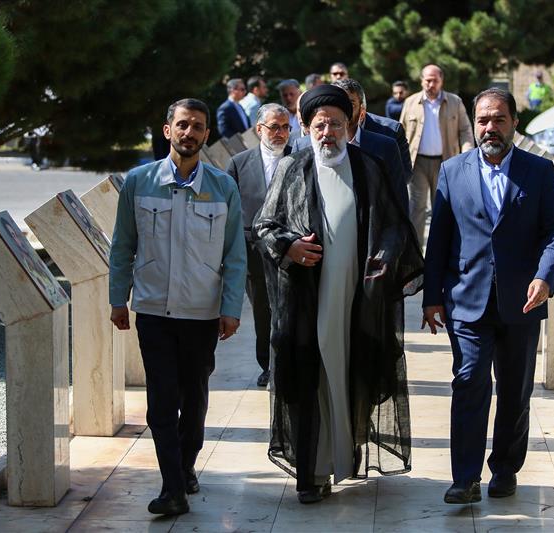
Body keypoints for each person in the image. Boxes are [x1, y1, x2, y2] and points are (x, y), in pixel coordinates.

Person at [254, 84, 424, 504]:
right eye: (319, 125)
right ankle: (313, 472)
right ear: (306, 128)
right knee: (310, 378)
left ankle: (344, 456)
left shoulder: (369, 168)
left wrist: (384, 256)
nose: (327, 133)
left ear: (350, 126)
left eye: (335, 124)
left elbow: (396, 226)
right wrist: (290, 247)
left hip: (357, 300)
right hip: (306, 300)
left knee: (352, 374)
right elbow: (265, 226)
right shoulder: (292, 168)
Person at [422, 88, 554, 504]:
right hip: (467, 299)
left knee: (515, 390)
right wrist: (432, 297)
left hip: (522, 301)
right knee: (469, 381)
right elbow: (439, 239)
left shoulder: (539, 171)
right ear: (474, 124)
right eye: (483, 120)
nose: (490, 128)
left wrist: (544, 277)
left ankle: (505, 468)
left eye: (499, 119)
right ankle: (465, 478)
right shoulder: (453, 171)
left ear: (514, 123)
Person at [109, 98, 247, 516]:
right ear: (168, 130)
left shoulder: (223, 187)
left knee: (195, 398)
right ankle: (172, 487)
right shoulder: (138, 182)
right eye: (183, 125)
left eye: (198, 126)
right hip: (153, 311)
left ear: (206, 134)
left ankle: (185, 466)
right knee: (161, 403)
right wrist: (118, 298)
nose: (190, 133)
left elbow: (235, 254)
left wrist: (231, 307)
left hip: (202, 314)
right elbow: (123, 246)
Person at [225, 104, 293, 387]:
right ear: (259, 129)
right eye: (274, 127)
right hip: (253, 250)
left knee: (290, 308)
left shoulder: (300, 158)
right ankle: (268, 365)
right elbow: (229, 210)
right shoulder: (239, 163)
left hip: (291, 247)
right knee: (263, 310)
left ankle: (290, 363)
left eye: (285, 127)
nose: (280, 133)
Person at [293, 78, 410, 213]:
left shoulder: (385, 146)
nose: (343, 109)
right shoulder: (302, 146)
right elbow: (294, 200)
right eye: (336, 103)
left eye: (350, 104)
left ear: (362, 112)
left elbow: (398, 198)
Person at [400, 64, 473, 248]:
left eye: (435, 81)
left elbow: (465, 130)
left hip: (446, 163)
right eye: (427, 80)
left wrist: (467, 153)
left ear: (442, 81)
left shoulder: (455, 102)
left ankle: (440, 249)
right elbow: (400, 131)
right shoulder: (411, 102)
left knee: (442, 207)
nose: (431, 84)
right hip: (417, 163)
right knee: (417, 208)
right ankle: (415, 252)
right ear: (421, 81)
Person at [278, 79, 302, 143]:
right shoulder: (278, 116)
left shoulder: (307, 113)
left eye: (292, 94)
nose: (288, 98)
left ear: (299, 93)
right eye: (285, 95)